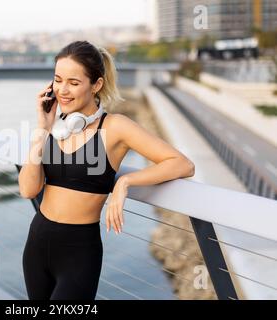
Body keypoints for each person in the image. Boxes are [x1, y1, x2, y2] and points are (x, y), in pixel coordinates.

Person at [18, 40, 195, 300]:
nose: (62, 90)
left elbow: (183, 164)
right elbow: (28, 189)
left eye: (74, 83)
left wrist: (124, 183)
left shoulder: (116, 127)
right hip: (37, 243)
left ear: (96, 85)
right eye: (58, 80)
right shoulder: (58, 126)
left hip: (78, 251)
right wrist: (42, 129)